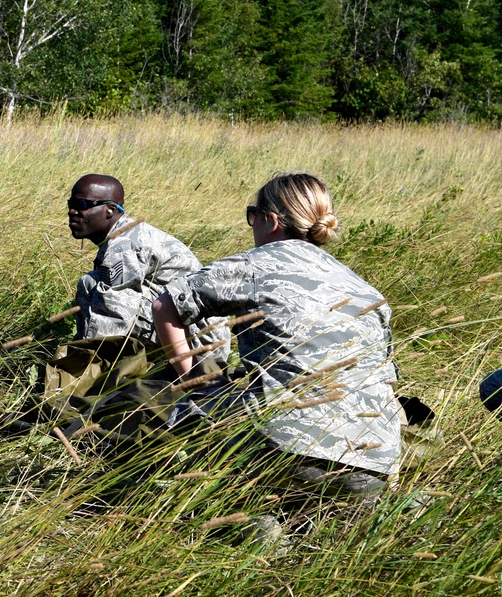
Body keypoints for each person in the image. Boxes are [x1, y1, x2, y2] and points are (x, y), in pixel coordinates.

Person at [151, 173, 401, 487]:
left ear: (270, 220)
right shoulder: (367, 292)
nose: (251, 224)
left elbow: (164, 305)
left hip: (282, 444)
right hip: (373, 460)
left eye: (251, 216)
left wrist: (195, 380)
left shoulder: (255, 265)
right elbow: (387, 380)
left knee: (191, 410)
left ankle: (222, 508)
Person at [68, 173, 229, 369]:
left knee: (92, 286)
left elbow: (113, 316)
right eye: (71, 204)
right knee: (95, 286)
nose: (72, 212)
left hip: (199, 346)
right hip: (192, 333)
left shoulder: (124, 245)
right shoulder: (124, 234)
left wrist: (85, 368)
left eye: (82, 205)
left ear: (110, 210)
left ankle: (106, 370)